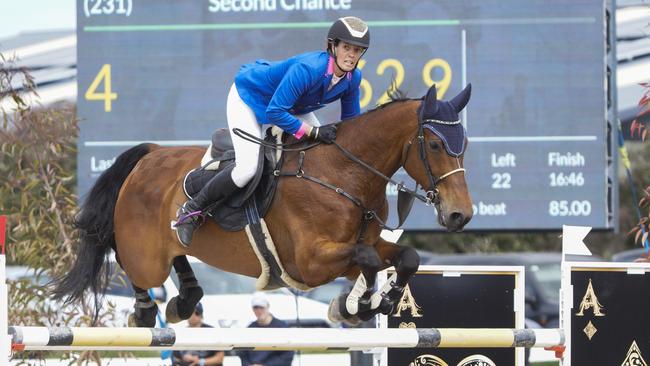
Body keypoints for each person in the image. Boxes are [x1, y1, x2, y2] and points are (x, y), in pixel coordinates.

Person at [173, 16, 371, 247]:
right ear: (333, 46)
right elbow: (276, 112)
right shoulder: (308, 69)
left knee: (323, 154)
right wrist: (314, 133)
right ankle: (191, 211)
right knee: (247, 169)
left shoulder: (353, 78)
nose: (351, 55)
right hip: (249, 97)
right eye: (346, 47)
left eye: (357, 50)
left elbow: (351, 124)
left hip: (293, 106)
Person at [237, 292, 295, 366]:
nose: (259, 310)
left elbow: (287, 356)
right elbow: (243, 354)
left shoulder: (281, 327)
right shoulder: (250, 328)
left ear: (268, 306)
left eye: (261, 307)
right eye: (256, 307)